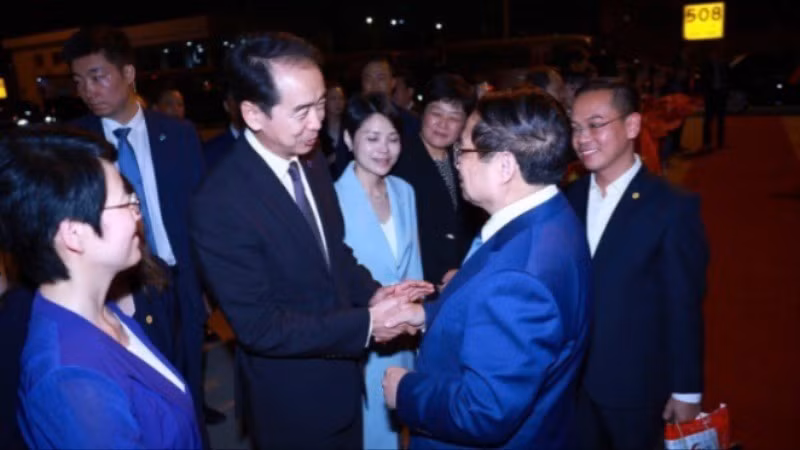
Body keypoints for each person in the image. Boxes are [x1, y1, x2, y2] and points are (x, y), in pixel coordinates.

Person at [189, 32, 433, 449]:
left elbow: (333, 253)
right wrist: (369, 323)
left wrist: (376, 294)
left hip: (344, 381)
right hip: (292, 399)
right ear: (253, 114)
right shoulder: (219, 202)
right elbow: (260, 327)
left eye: (320, 104)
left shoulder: (311, 157)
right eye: (302, 111)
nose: (318, 123)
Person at [381, 88, 592, 449]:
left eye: (464, 150)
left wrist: (405, 391)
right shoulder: (547, 217)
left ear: (506, 166)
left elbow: (485, 411)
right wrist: (426, 316)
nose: (457, 161)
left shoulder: (520, 276)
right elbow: (487, 312)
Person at [0, 127, 201, 448]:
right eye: (126, 203)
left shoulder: (99, 312)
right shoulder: (73, 382)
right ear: (73, 234)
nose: (138, 214)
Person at [62, 25, 209, 427]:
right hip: (118, 289)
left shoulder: (178, 135)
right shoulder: (76, 144)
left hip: (180, 284)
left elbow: (200, 217)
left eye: (98, 76)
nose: (88, 90)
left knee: (188, 395)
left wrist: (207, 286)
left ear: (128, 74)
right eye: (79, 81)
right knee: (139, 404)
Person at [565, 78, 708, 449]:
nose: (583, 138)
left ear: (631, 126)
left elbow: (684, 306)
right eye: (576, 127)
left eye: (596, 124)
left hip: (638, 391)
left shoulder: (672, 207)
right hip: (571, 389)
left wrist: (687, 391)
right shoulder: (568, 198)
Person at [334, 93, 424, 449]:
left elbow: (412, 263)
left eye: (392, 138)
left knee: (404, 427)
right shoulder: (331, 200)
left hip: (404, 336)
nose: (384, 149)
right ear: (347, 139)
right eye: (371, 138)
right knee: (371, 435)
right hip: (363, 338)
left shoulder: (405, 192)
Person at [392, 73, 486, 289]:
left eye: (453, 118)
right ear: (422, 113)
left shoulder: (466, 157)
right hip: (421, 281)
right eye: (436, 113)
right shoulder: (399, 159)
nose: (443, 124)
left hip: (462, 275)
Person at [203, 88, 244, 169]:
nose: (240, 107)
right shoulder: (211, 151)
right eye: (236, 100)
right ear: (226, 106)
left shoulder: (267, 145)